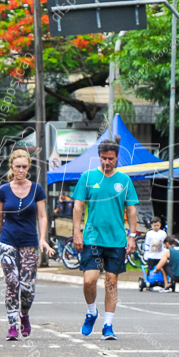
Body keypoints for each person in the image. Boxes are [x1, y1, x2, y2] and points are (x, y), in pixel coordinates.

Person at [72, 140, 139, 340]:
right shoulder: (87, 177)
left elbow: (132, 209)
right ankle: (91, 312)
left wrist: (132, 236)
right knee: (89, 280)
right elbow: (77, 206)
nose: (107, 162)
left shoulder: (125, 180)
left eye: (110, 158)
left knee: (111, 282)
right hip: (92, 238)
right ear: (98, 156)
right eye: (103, 158)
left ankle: (108, 325)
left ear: (116, 157)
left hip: (116, 240)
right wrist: (77, 232)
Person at [0, 149, 55, 341]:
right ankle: (11, 325)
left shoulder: (37, 189)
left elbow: (42, 216)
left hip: (29, 242)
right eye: (17, 166)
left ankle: (24, 315)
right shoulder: (3, 190)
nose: (21, 170)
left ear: (29, 168)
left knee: (27, 288)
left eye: (24, 167)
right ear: (11, 167)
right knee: (12, 282)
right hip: (7, 241)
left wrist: (43, 238)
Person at [143, 216, 167, 285]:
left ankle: (163, 280)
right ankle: (148, 280)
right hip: (151, 255)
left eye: (157, 225)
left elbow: (165, 243)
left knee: (162, 268)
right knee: (150, 268)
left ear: (160, 225)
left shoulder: (163, 233)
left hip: (160, 255)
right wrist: (146, 253)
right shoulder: (149, 233)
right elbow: (147, 243)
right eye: (154, 225)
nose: (156, 227)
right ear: (151, 225)